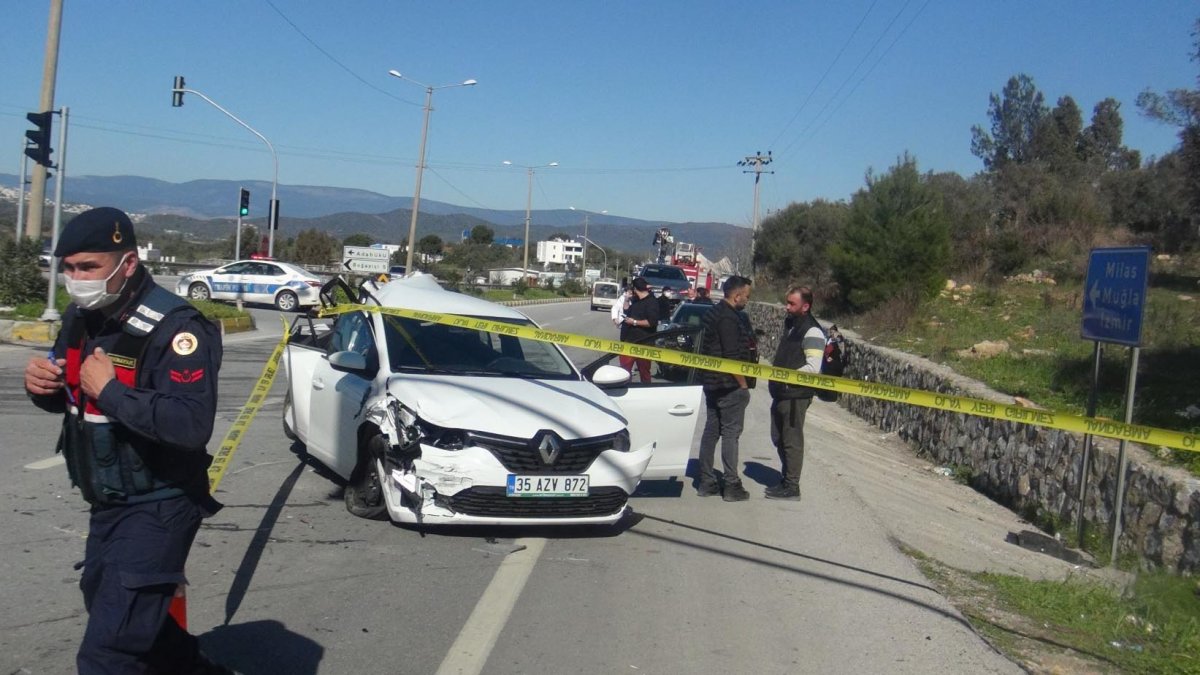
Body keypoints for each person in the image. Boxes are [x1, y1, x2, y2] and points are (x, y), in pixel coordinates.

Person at [23, 207, 231, 674]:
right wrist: (43, 389)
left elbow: (191, 424)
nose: (76, 279)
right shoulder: (83, 317)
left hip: (160, 503)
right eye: (69, 268)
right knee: (119, 612)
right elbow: (75, 401)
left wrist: (113, 391)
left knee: (109, 650)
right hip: (109, 499)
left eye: (89, 267)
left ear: (128, 264)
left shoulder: (177, 328)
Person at [695, 275, 756, 501]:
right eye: (746, 296)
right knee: (731, 434)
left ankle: (706, 481)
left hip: (712, 383)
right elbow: (731, 357)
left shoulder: (713, 312)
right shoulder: (728, 319)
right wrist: (743, 387)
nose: (747, 301)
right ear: (736, 295)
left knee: (711, 432)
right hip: (728, 385)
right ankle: (731, 485)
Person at [765, 285, 826, 501]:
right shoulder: (791, 325)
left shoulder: (812, 331)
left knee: (791, 440)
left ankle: (792, 487)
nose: (786, 307)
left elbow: (813, 367)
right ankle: (786, 479)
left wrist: (787, 379)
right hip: (782, 394)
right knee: (777, 436)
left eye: (792, 303)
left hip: (796, 396)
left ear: (806, 306)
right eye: (787, 302)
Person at [618, 277, 659, 383]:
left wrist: (634, 322)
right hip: (629, 341)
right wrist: (627, 299)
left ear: (635, 289)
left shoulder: (652, 302)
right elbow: (626, 310)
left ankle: (646, 392)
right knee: (623, 372)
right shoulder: (635, 300)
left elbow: (651, 322)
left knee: (644, 372)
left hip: (644, 343)